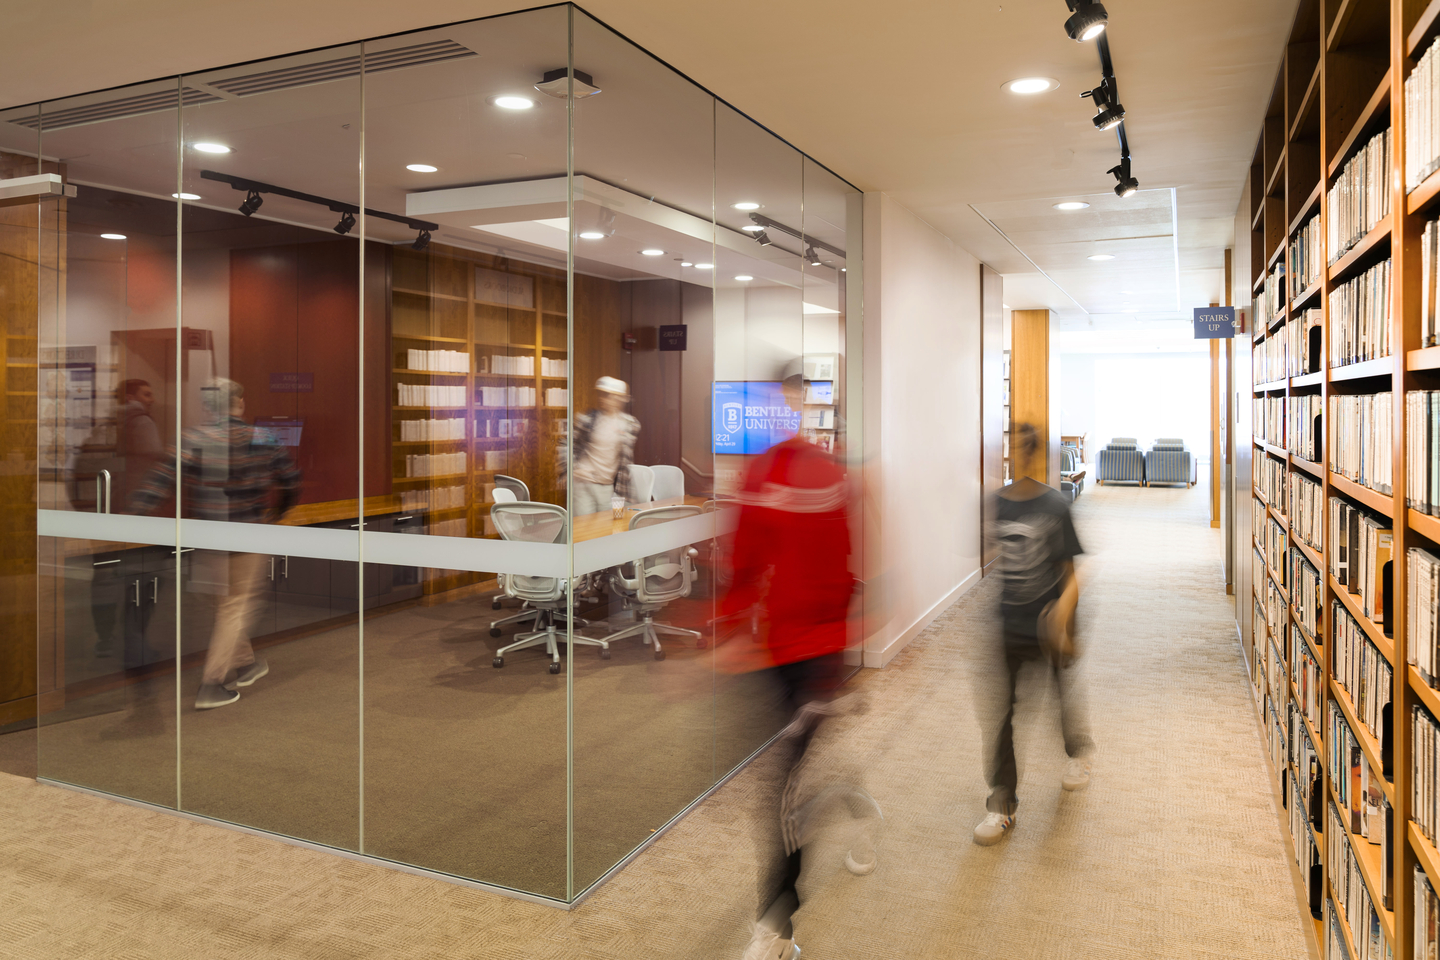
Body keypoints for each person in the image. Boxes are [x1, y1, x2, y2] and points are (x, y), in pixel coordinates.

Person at [722, 373, 858, 960]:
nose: (788, 413)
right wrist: (725, 634)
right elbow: (746, 561)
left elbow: (849, 562)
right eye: (778, 404)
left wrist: (842, 658)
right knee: (791, 774)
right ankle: (851, 803)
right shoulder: (759, 473)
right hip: (775, 649)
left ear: (808, 406)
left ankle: (778, 925)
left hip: (819, 654)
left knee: (777, 789)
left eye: (797, 403)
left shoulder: (831, 474)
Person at [130, 377, 301, 710]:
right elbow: (291, 480)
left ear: (207, 406)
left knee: (220, 604)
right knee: (234, 606)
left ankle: (247, 663)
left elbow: (160, 479)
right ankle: (212, 683)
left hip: (206, 534)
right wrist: (277, 512)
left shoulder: (192, 438)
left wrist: (134, 514)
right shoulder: (262, 436)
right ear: (240, 403)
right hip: (247, 532)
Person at [974, 422, 1095, 846]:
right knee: (1004, 713)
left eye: (1027, 450)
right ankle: (1002, 803)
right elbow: (991, 553)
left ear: (1037, 456)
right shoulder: (996, 504)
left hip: (1050, 622)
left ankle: (1078, 752)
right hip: (1010, 622)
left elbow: (1071, 575)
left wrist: (1062, 618)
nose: (1020, 458)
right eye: (1015, 450)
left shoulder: (1055, 505)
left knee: (1062, 694)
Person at [560, 375, 641, 515]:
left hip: (607, 485)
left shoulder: (630, 425)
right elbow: (565, 443)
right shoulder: (587, 419)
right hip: (583, 483)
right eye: (603, 394)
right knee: (584, 529)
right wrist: (571, 469)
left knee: (604, 528)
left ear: (621, 397)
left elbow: (624, 460)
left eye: (609, 395)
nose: (604, 398)